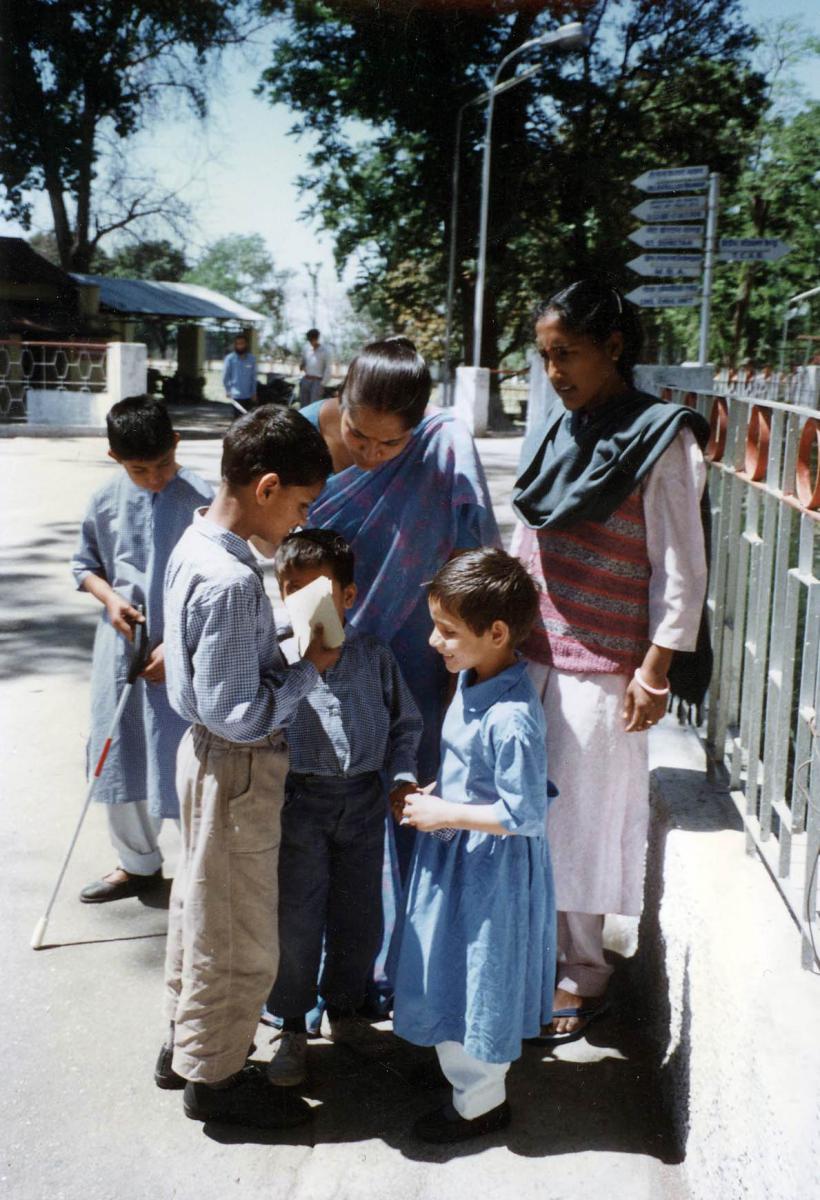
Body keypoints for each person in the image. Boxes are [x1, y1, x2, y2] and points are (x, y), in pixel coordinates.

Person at [512, 279, 709, 1043]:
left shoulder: (663, 437)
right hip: (532, 652)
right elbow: (530, 534)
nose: (555, 371)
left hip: (605, 665)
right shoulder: (565, 429)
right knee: (532, 819)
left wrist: (656, 667)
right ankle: (537, 960)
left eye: (568, 354)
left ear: (614, 348)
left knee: (585, 825)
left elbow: (680, 567)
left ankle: (585, 975)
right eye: (545, 356)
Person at [300, 335, 500, 1010]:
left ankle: (407, 975)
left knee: (408, 807)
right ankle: (322, 982)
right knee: (322, 822)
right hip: (322, 659)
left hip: (416, 663)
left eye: (393, 446)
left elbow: (477, 554)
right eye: (359, 436)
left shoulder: (442, 447)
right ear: (340, 395)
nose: (372, 455)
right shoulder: (300, 438)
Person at [157, 405, 339, 1131]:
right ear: (266, 488)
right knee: (237, 934)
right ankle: (220, 1082)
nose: (299, 522)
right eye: (299, 505)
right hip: (236, 766)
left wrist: (279, 628)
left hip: (200, 758)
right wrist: (308, 667)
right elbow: (239, 711)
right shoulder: (234, 582)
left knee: (198, 914)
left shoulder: (198, 541)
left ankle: (187, 1048)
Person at [392, 548, 556, 1145]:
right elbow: (477, 773)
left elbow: (526, 813)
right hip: (459, 855)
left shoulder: (512, 716)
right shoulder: (473, 677)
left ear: (497, 632)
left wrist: (446, 811)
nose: (435, 642)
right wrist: (441, 793)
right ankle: (455, 1067)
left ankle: (481, 1102)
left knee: (478, 974)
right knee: (451, 966)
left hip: (490, 869)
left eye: (447, 631)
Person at [265, 529, 423, 1087]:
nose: (305, 604)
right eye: (293, 591)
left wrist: (400, 778)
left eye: (320, 593)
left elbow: (405, 725)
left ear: (349, 597)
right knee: (297, 920)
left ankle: (346, 1009)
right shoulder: (277, 657)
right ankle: (290, 1024)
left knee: (360, 914)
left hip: (362, 802)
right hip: (298, 803)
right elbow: (260, 724)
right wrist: (304, 664)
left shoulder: (374, 655)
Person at [71, 395, 213, 904]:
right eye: (139, 470)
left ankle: (203, 871)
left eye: (162, 465)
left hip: (188, 649)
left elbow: (222, 581)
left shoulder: (203, 499)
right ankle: (137, 863)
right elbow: (85, 565)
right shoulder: (104, 499)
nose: (154, 478)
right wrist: (108, 600)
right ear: (115, 459)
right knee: (119, 750)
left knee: (186, 759)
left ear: (177, 444)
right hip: (121, 650)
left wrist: (176, 649)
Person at [222, 332, 257, 413]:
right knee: (238, 420)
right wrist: (227, 390)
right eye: (237, 344)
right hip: (235, 395)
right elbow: (225, 376)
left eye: (242, 343)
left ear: (246, 344)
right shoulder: (230, 359)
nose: (240, 345)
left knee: (248, 420)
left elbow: (253, 377)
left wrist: (254, 393)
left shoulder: (252, 359)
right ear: (235, 345)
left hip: (248, 396)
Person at [298, 328, 331, 408]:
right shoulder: (306, 349)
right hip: (306, 379)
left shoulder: (325, 351)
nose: (311, 342)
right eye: (309, 340)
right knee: (303, 405)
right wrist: (301, 365)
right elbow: (303, 364)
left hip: (317, 382)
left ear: (317, 338)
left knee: (314, 406)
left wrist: (322, 384)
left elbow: (328, 369)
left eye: (312, 339)